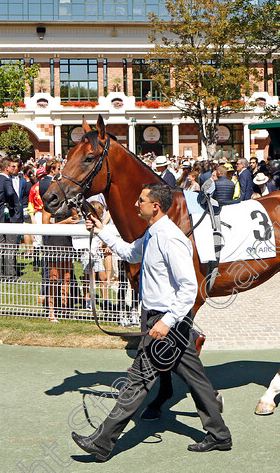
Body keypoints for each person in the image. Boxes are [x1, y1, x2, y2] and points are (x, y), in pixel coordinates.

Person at [73, 183, 231, 460]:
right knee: (196, 379)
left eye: (141, 200)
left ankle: (102, 442)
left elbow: (188, 288)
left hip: (166, 322)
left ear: (155, 206)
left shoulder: (170, 238)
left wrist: (167, 322)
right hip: (161, 320)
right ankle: (219, 435)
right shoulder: (152, 233)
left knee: (136, 382)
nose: (136, 204)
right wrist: (101, 230)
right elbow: (130, 253)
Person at [0, 157, 22, 279]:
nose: (14, 168)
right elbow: (9, 193)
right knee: (10, 247)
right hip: (9, 217)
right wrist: (13, 204)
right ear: (7, 167)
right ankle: (10, 275)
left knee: (0, 246)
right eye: (12, 166)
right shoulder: (6, 180)